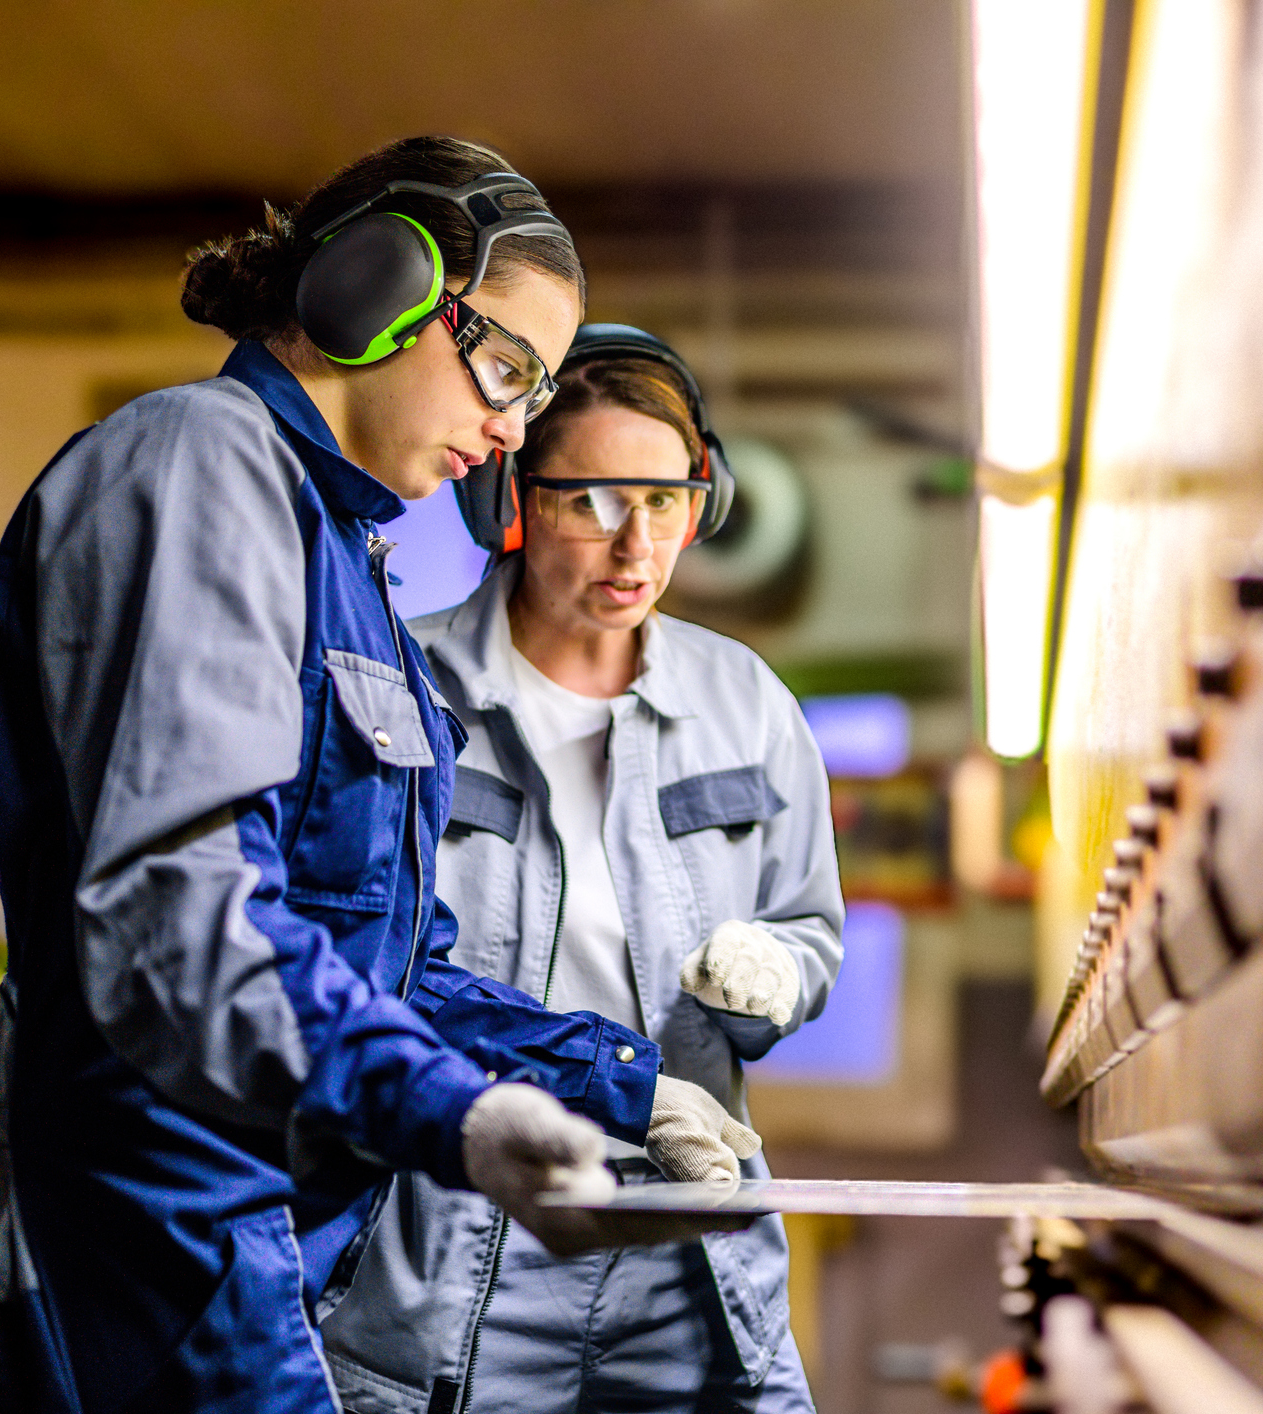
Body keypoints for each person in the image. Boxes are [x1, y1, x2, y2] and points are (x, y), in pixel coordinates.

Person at [0, 138, 757, 1414]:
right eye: (503, 368)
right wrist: (453, 1114)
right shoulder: (197, 468)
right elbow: (183, 937)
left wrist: (617, 1082)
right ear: (373, 284)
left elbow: (383, 967)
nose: (512, 427)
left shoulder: (351, 563)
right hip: (89, 1271)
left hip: (216, 1254)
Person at [318, 327, 845, 1414]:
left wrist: (780, 972)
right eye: (591, 501)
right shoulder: (399, 690)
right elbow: (364, 966)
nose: (634, 545)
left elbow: (809, 927)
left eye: (667, 500)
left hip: (690, 1240)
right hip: (457, 1232)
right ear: (509, 496)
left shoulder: (747, 704)